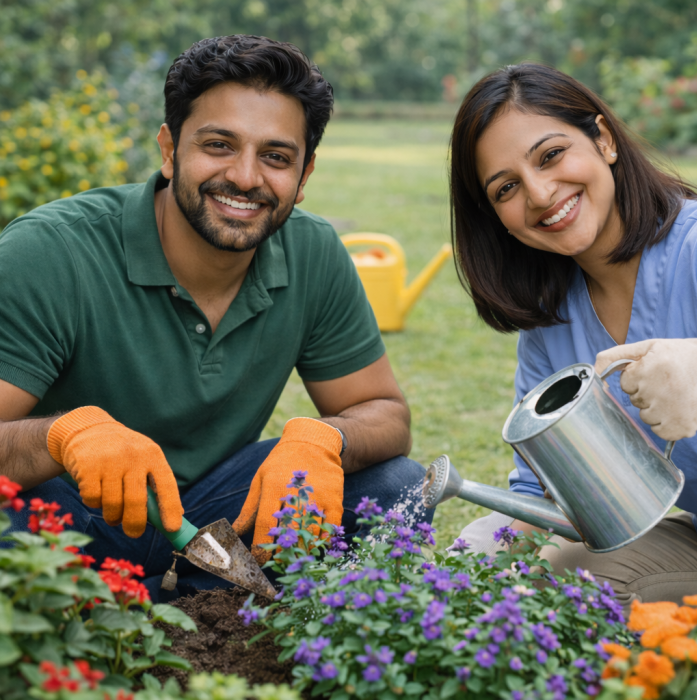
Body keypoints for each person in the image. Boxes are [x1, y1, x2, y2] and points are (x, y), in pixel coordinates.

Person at [0, 35, 431, 601]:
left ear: (303, 177)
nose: (247, 177)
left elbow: (386, 414)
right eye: (219, 145)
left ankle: (169, 604)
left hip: (211, 515)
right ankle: (172, 602)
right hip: (71, 519)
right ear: (169, 149)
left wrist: (323, 438)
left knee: (395, 486)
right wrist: (65, 436)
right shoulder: (51, 251)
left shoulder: (315, 253)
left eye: (276, 157)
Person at [449, 62, 697, 608]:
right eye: (506, 188)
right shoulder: (553, 320)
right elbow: (549, 490)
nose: (540, 193)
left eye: (551, 155)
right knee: (559, 581)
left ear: (605, 140)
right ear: (496, 217)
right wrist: (470, 562)